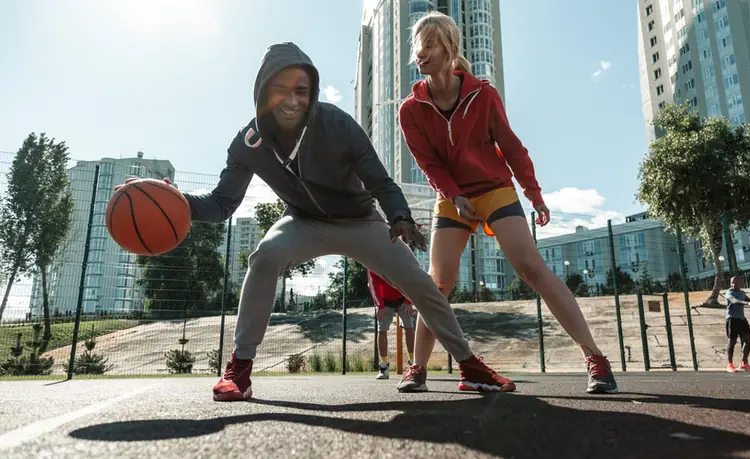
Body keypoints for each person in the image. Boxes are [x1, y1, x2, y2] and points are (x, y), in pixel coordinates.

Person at [116, 42, 516, 401]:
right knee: (264, 256)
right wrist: (174, 200)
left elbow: (380, 180)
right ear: (262, 93)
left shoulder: (337, 124)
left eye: (301, 91)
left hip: (360, 220)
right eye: (281, 90)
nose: (292, 100)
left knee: (421, 285)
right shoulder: (248, 142)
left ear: (312, 94)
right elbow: (221, 204)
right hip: (303, 221)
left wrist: (398, 215)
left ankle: (469, 366)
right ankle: (241, 368)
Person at [397, 12, 618, 394]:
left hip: (494, 187)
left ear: (449, 48)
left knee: (531, 267)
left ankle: (595, 358)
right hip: (452, 197)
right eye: (418, 46)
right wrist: (455, 195)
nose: (421, 53)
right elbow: (428, 163)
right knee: (438, 283)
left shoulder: (483, 95)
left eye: (430, 45)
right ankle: (417, 368)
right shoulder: (410, 109)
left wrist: (533, 193)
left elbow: (511, 147)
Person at [368, 269, 416, 379]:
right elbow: (372, 284)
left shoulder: (400, 256)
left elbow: (409, 279)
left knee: (409, 327)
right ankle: (384, 366)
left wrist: (408, 301)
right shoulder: (373, 262)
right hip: (384, 302)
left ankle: (413, 363)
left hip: (403, 299)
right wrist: (380, 306)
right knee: (382, 330)